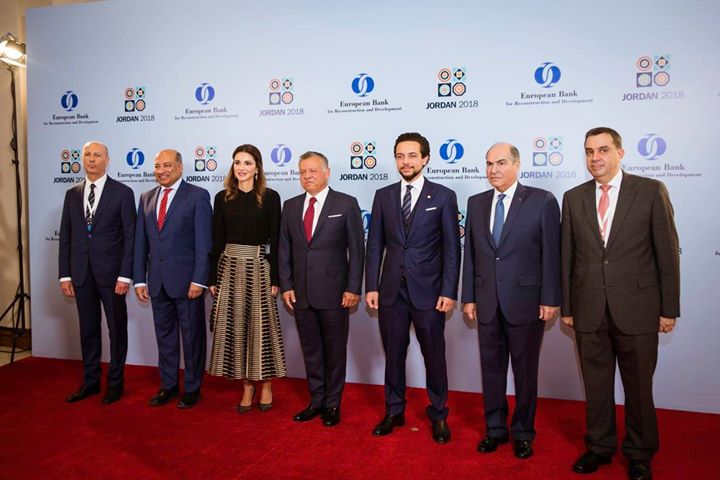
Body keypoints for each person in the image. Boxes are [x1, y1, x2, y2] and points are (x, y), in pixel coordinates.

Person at [561, 127, 680, 480]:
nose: (595, 158)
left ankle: (640, 453)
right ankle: (599, 447)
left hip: (638, 309)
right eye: (589, 151)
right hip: (589, 307)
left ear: (620, 153)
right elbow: (567, 257)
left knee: (639, 388)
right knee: (596, 385)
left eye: (603, 150)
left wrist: (668, 309)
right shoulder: (573, 197)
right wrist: (568, 306)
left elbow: (667, 254)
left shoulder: (650, 191)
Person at [461, 142, 560, 459]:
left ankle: (523, 432)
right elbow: (471, 255)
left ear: (517, 165)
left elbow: (551, 254)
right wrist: (469, 296)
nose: (494, 170)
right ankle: (495, 429)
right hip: (486, 301)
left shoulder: (542, 200)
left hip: (526, 302)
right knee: (491, 370)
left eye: (501, 163)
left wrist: (550, 298)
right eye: (489, 164)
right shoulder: (476, 203)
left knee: (525, 372)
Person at [365, 132, 461, 444]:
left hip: (429, 292)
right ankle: (394, 410)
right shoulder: (383, 195)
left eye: (412, 156)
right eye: (400, 156)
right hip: (391, 291)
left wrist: (448, 291)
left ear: (425, 158)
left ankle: (439, 413)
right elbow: (375, 245)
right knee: (393, 355)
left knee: (434, 356)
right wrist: (371, 286)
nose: (405, 162)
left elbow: (452, 248)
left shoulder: (443, 196)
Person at [278, 151, 364, 427]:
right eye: (303, 171)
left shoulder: (346, 204)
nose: (307, 176)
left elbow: (357, 251)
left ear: (327, 173)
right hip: (301, 294)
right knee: (311, 350)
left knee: (335, 351)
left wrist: (353, 288)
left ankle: (333, 403)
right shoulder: (290, 206)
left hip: (335, 293)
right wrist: (286, 285)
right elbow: (284, 250)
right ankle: (316, 401)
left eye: (313, 170)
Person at [207, 144, 287, 413]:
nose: (241, 168)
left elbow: (277, 240)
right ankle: (247, 386)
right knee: (236, 330)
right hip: (229, 269)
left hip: (259, 269)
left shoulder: (270, 197)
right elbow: (217, 240)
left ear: (257, 168)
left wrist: (276, 277)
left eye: (247, 163)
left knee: (261, 329)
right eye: (237, 162)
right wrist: (212, 277)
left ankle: (266, 384)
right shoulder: (222, 198)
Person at [133, 149, 213, 409]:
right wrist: (139, 279)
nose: (161, 171)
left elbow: (204, 243)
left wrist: (199, 280)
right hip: (157, 283)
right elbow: (140, 243)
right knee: (165, 338)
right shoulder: (146, 198)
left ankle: (192, 388)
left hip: (187, 283)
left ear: (180, 167)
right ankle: (168, 386)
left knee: (192, 339)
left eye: (167, 165)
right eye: (157, 166)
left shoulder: (198, 196)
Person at [59, 141, 136, 404]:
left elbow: (130, 237)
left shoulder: (123, 193)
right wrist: (65, 275)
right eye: (87, 155)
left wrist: (125, 275)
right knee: (88, 330)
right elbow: (66, 237)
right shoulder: (72, 194)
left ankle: (115, 383)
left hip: (112, 276)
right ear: (82, 159)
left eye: (97, 155)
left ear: (107, 160)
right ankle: (91, 382)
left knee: (117, 330)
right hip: (81, 274)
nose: (92, 160)